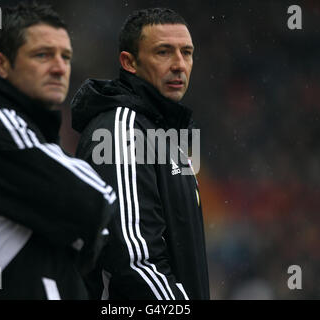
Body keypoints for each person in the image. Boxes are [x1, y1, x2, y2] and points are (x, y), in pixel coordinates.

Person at [0, 2, 116, 300]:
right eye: (42, 55)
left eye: (65, 57)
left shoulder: (31, 133)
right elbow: (97, 200)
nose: (59, 67)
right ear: (1, 64)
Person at [71, 8, 209, 300]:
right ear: (129, 62)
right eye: (163, 52)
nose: (179, 64)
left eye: (187, 52)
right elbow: (134, 261)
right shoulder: (121, 131)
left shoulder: (171, 135)